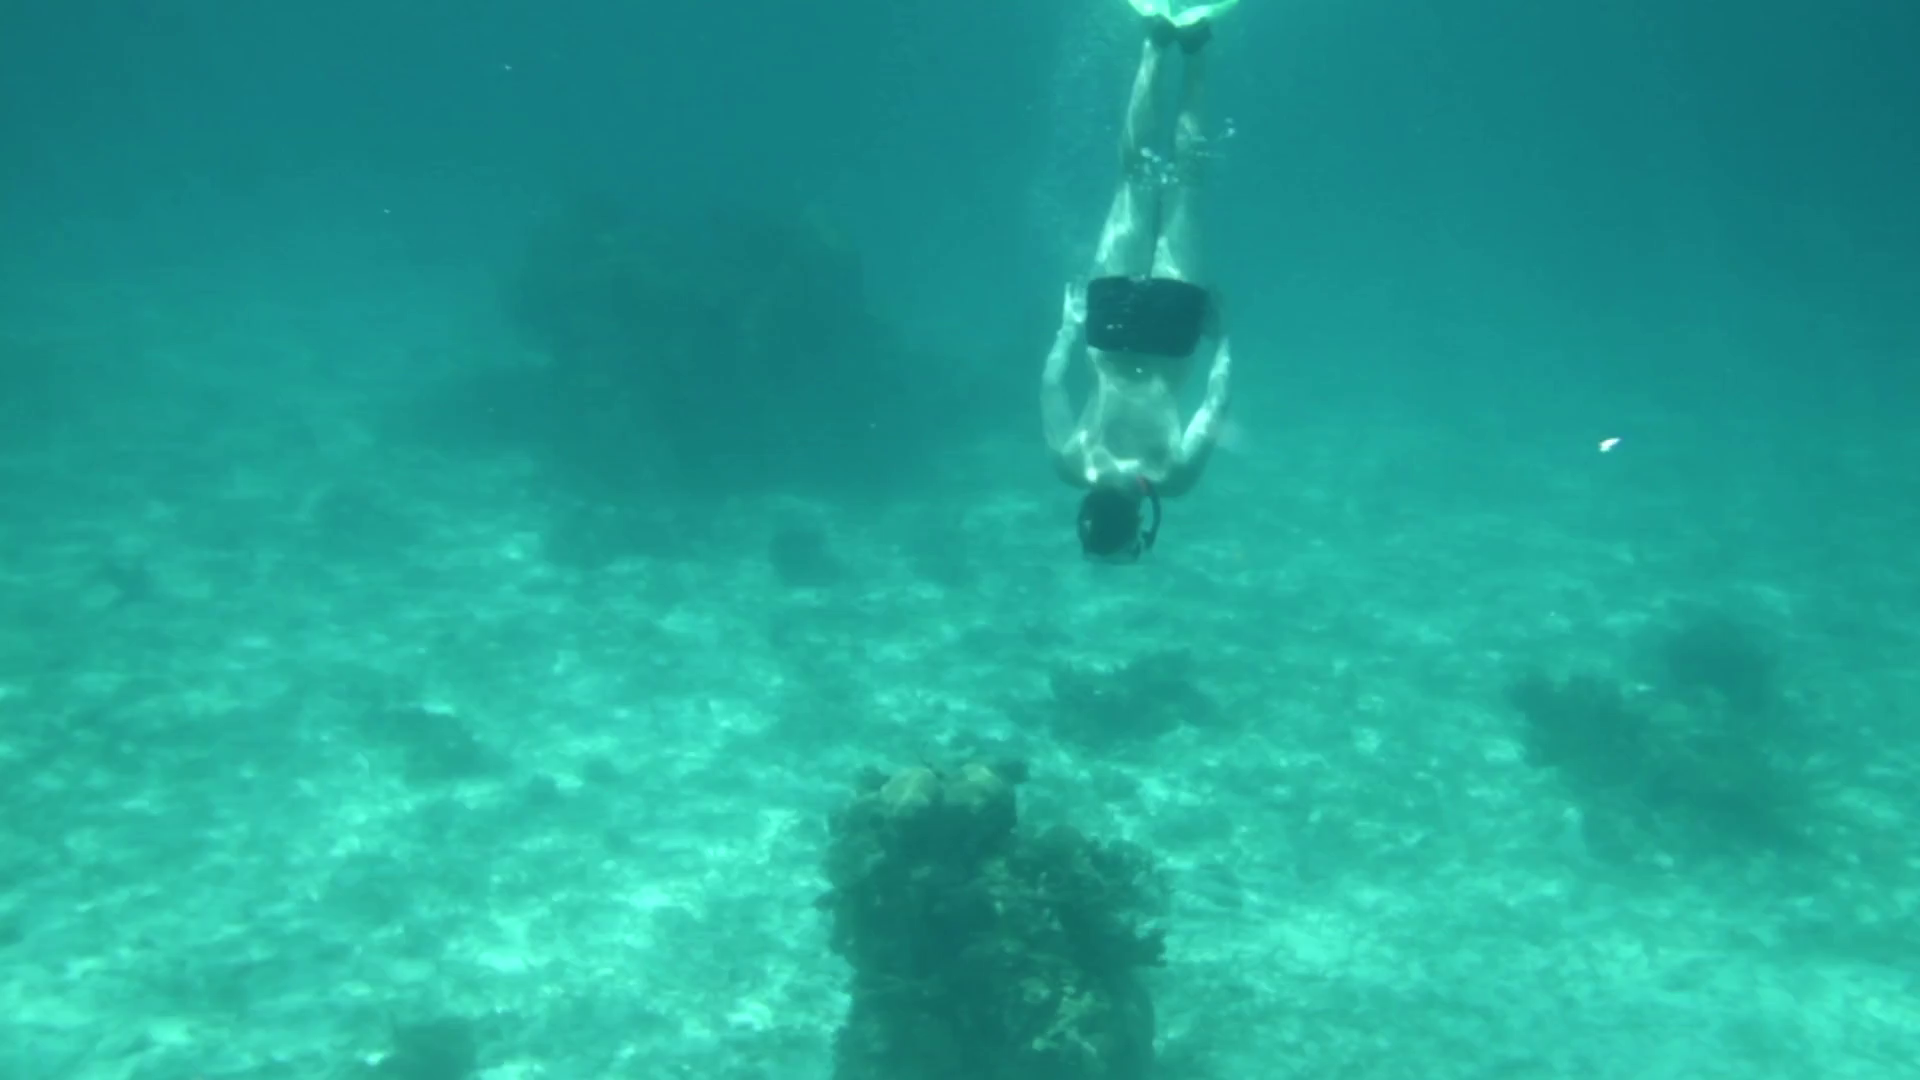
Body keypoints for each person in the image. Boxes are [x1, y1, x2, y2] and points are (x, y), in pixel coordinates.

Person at [1044, 0, 1239, 562]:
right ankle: (1156, 42)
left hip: (1172, 336)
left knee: (1186, 184)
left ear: (1135, 525)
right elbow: (1052, 386)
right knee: (1133, 181)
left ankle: (1195, 47)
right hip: (1108, 331)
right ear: (1085, 515)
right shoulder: (1071, 465)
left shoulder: (1172, 480)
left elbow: (1217, 402)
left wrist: (1221, 337)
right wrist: (1069, 327)